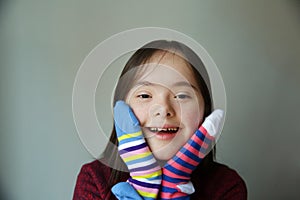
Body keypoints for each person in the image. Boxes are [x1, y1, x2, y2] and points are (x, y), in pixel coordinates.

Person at [73, 40, 247, 199]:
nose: (163, 109)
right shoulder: (94, 179)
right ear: (121, 109)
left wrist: (175, 187)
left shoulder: (227, 186)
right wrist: (143, 184)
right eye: (144, 95)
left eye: (181, 95)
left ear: (205, 111)